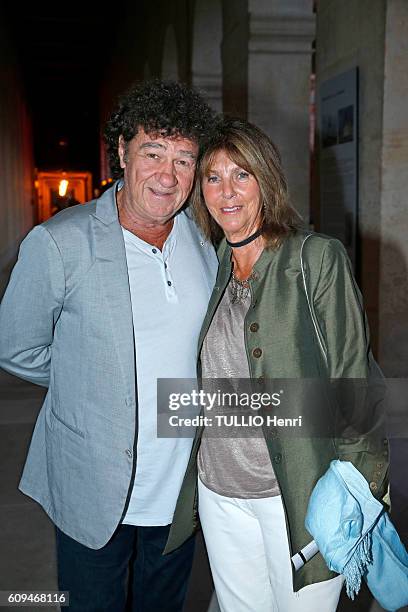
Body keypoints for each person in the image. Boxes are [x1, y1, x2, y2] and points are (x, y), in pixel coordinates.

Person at [0, 79, 218, 611]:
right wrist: (97, 379)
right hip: (91, 483)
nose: (168, 176)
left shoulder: (203, 239)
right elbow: (15, 346)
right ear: (121, 152)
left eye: (185, 159)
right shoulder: (60, 242)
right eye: (153, 152)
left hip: (179, 487)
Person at [163, 118, 390, 612]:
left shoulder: (317, 258)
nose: (227, 191)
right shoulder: (217, 261)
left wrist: (358, 483)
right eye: (213, 177)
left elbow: (354, 378)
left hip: (298, 494)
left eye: (241, 174)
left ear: (266, 180)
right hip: (220, 492)